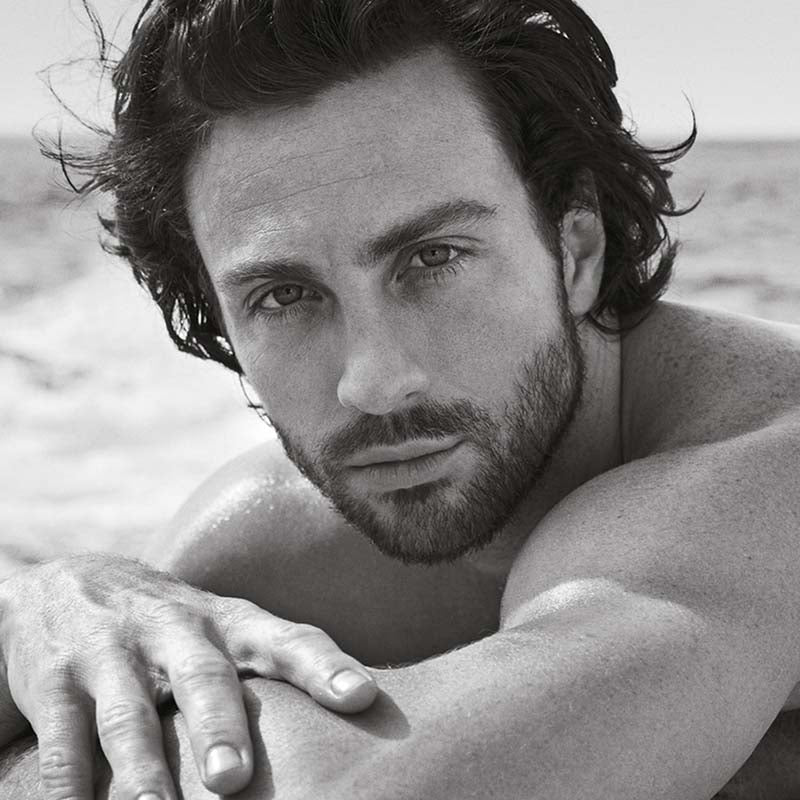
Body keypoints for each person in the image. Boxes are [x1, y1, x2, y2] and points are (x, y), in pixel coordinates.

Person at [1, 0, 799, 797]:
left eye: (435, 258)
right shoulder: (256, 552)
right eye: (284, 296)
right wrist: (36, 613)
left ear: (574, 250)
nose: (374, 383)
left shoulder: (767, 475)